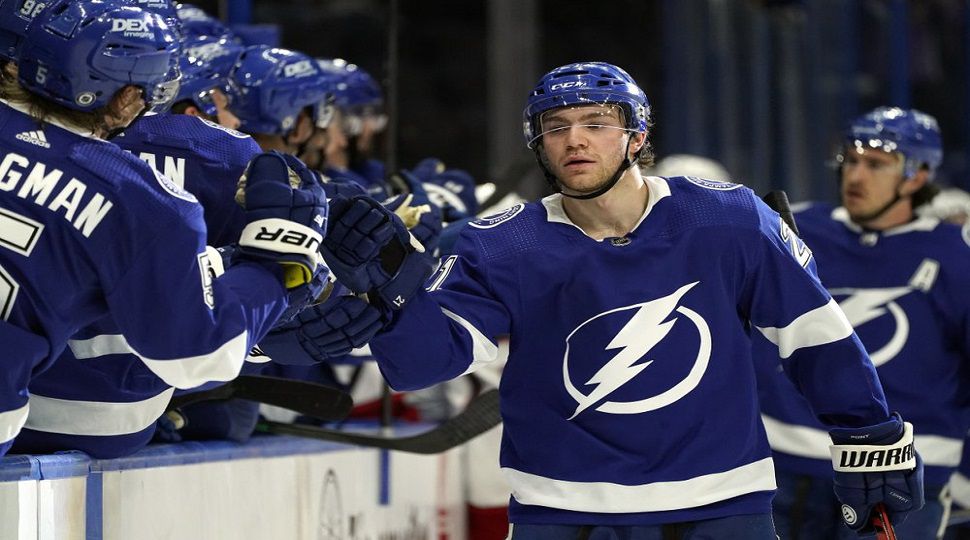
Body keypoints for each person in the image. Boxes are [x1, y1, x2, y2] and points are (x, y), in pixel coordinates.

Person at [316, 62, 925, 538]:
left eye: (596, 122)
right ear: (539, 143)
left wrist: (868, 434)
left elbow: (816, 334)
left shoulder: (728, 219)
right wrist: (386, 283)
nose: (574, 140)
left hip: (720, 505)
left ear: (636, 135)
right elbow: (426, 363)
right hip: (562, 512)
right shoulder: (502, 245)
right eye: (556, 127)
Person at [0, 0, 328, 456]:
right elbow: (199, 354)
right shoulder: (142, 198)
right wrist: (273, 268)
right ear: (128, 97)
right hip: (74, 419)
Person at [758, 107, 970, 539]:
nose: (855, 175)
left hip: (905, 472)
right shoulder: (792, 230)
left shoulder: (957, 255)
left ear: (918, 175)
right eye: (850, 160)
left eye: (876, 164)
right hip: (783, 464)